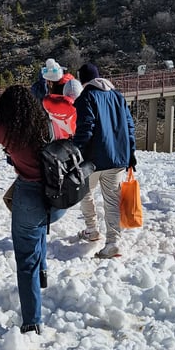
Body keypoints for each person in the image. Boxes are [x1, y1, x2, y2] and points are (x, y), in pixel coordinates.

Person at [0, 85, 69, 334]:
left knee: (25, 258)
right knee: (39, 230)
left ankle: (31, 321)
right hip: (56, 195)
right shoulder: (46, 123)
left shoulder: (7, 131)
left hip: (29, 195)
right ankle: (43, 273)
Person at [72, 63, 137, 259]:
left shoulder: (86, 97)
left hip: (93, 160)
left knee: (84, 193)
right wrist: (130, 153)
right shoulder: (118, 96)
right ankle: (113, 242)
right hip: (118, 158)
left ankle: (92, 230)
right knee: (112, 201)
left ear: (83, 80)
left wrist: (75, 152)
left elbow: (86, 128)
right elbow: (129, 126)